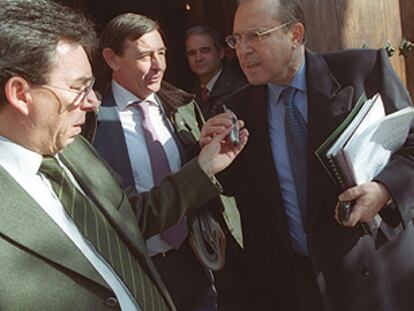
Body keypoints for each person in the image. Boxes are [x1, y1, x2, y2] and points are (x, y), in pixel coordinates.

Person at [0, 1, 247, 311]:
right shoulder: (88, 128)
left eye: (162, 53)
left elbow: (130, 217)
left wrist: (203, 163)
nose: (91, 102)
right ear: (20, 94)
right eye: (79, 87)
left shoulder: (73, 149)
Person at [201, 0, 414, 310]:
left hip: (373, 274)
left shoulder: (361, 72)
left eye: (256, 36)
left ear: (295, 35)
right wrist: (208, 154)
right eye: (237, 39)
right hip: (296, 288)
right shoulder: (236, 110)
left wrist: (384, 190)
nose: (242, 50)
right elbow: (235, 190)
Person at [93, 13, 243, 311]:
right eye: (145, 56)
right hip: (138, 273)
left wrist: (202, 149)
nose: (159, 65)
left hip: (195, 263)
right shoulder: (90, 124)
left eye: (161, 53)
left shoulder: (183, 105)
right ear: (112, 58)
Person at [185, 25, 248, 119]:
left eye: (205, 51)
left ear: (220, 53)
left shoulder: (241, 88)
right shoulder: (189, 96)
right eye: (192, 53)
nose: (198, 58)